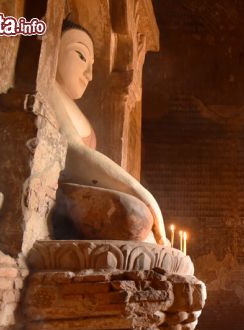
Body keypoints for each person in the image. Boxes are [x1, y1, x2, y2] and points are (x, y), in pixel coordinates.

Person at [47, 18, 170, 246]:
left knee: (142, 223)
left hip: (83, 193)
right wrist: (143, 195)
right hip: (58, 196)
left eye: (92, 64)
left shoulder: (74, 107)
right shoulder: (48, 87)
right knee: (135, 215)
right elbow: (72, 152)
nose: (89, 74)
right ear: (52, 48)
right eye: (81, 56)